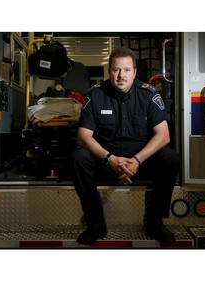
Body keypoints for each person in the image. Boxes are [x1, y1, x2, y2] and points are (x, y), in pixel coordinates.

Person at [70, 46, 180, 245]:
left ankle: (155, 223)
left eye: (127, 70)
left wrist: (137, 160)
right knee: (79, 157)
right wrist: (110, 159)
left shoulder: (148, 94)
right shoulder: (95, 95)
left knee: (170, 158)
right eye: (116, 70)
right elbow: (83, 137)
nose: (121, 75)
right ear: (110, 71)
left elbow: (163, 136)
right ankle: (95, 224)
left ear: (135, 72)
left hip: (140, 161)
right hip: (105, 160)